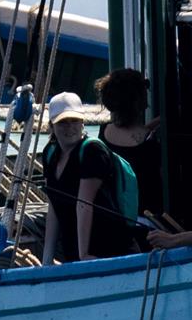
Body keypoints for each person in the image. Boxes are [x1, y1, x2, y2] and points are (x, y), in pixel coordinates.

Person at [40, 91, 123, 262]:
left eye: (75, 121)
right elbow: (54, 206)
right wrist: (46, 260)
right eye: (63, 122)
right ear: (51, 126)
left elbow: (84, 204)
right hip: (73, 253)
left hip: (104, 251)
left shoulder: (92, 152)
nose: (70, 128)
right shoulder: (50, 153)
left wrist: (83, 254)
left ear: (82, 123)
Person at [95, 68, 166, 227]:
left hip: (114, 221)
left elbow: (129, 141)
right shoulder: (149, 144)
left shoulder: (104, 133)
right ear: (137, 101)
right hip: (146, 222)